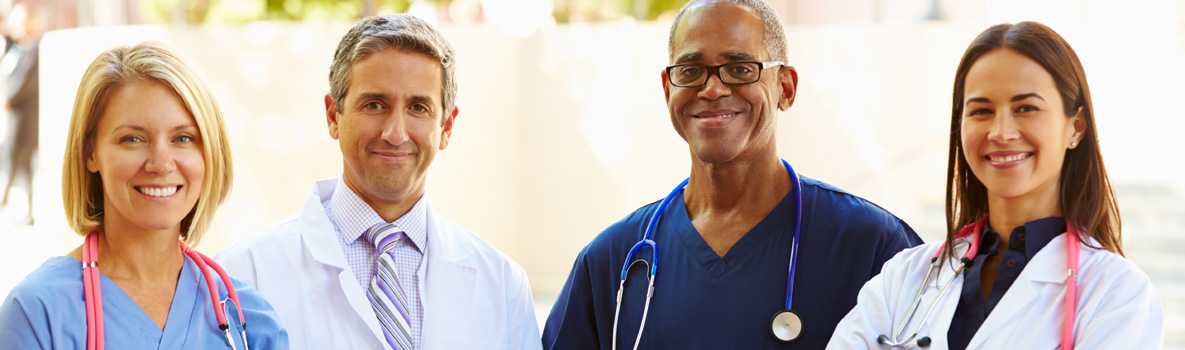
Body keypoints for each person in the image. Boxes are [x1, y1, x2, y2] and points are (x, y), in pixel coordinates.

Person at [542, 1, 922, 348]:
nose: (712, 88)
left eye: (740, 68)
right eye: (690, 71)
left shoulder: (872, 246)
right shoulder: (611, 260)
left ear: (785, 88)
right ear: (667, 88)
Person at [826, 21, 1164, 349]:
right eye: (981, 111)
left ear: (1075, 127)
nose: (1001, 132)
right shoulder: (905, 278)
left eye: (1026, 108)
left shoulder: (1116, 294)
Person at [218, 14, 540, 350]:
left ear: (446, 127)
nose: (395, 133)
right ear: (333, 116)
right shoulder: (245, 275)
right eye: (374, 104)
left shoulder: (502, 285)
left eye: (418, 107)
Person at [0, 43, 288, 349]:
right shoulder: (38, 314)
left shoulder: (249, 321)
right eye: (132, 139)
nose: (161, 164)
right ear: (90, 153)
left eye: (183, 138)